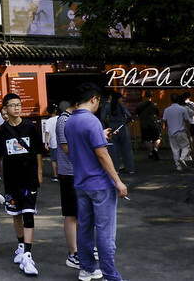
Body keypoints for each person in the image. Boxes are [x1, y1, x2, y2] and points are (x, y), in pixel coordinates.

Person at [64, 83, 128, 281]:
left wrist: (101, 135)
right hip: (100, 184)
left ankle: (87, 268)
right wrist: (118, 181)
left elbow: (79, 147)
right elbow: (102, 154)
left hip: (81, 183)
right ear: (94, 99)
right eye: (98, 101)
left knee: (84, 228)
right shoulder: (92, 121)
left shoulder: (69, 122)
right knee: (105, 232)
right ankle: (111, 275)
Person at [0, 93, 46, 276]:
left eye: (19, 104)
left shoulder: (29, 127)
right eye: (13, 105)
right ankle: (21, 245)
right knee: (16, 213)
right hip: (11, 178)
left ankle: (28, 254)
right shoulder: (2, 130)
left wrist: (39, 172)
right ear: (5, 109)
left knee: (28, 213)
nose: (17, 108)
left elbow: (38, 150)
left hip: (29, 177)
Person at [55, 100, 81, 270]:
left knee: (81, 213)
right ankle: (73, 253)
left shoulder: (76, 118)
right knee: (71, 214)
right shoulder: (64, 120)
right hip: (69, 173)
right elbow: (66, 148)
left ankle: (82, 247)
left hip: (80, 171)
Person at [100, 93, 134, 174]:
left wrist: (108, 124)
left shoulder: (107, 106)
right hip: (122, 127)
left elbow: (103, 117)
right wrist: (125, 122)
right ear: (118, 99)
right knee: (126, 149)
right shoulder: (122, 106)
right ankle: (130, 168)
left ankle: (115, 169)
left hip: (112, 127)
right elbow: (129, 116)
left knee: (113, 149)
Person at [162, 94, 191, 171]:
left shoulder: (166, 110)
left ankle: (178, 166)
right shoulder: (182, 109)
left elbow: (164, 121)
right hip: (181, 131)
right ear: (178, 100)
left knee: (175, 150)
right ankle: (182, 158)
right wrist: (188, 130)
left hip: (171, 132)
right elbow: (187, 120)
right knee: (186, 146)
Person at [136, 91, 161, 161]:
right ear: (151, 96)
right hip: (153, 124)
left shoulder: (140, 105)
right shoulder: (154, 105)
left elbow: (137, 113)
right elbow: (158, 114)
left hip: (144, 124)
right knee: (157, 138)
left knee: (146, 140)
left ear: (144, 96)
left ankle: (151, 152)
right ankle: (155, 149)